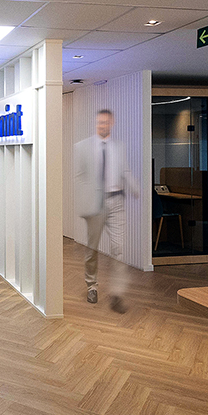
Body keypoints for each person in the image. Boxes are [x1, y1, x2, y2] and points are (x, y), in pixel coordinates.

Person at [74, 109, 138, 307]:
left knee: (118, 248)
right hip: (95, 204)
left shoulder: (119, 146)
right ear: (96, 124)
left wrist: (135, 188)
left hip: (116, 201)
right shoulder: (83, 147)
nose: (102, 125)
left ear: (112, 123)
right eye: (99, 122)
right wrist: (85, 202)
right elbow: (79, 177)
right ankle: (92, 286)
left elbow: (125, 170)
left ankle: (117, 293)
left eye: (106, 122)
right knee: (92, 249)